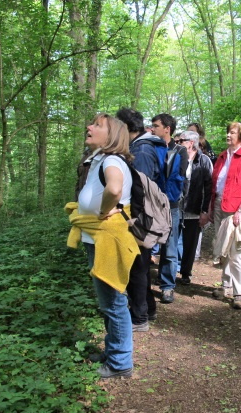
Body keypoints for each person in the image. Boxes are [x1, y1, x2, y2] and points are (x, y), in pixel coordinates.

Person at [67, 114, 137, 378]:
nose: (89, 126)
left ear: (112, 136)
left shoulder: (111, 160)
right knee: (109, 302)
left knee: (114, 302)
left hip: (106, 238)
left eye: (97, 125)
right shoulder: (98, 158)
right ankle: (114, 350)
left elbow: (115, 189)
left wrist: (106, 209)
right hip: (97, 238)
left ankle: (120, 363)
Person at [116, 107, 164, 331]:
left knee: (138, 267)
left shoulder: (142, 151)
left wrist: (132, 219)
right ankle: (147, 310)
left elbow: (141, 190)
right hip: (139, 217)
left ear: (127, 128)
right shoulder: (138, 147)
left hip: (140, 219)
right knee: (140, 266)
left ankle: (139, 317)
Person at [209, 122, 241, 310]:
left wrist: (240, 210)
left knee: (236, 251)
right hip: (219, 206)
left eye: (232, 133)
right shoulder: (222, 156)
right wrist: (210, 208)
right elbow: (215, 186)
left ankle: (240, 293)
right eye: (228, 132)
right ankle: (226, 286)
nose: (228, 135)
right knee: (222, 246)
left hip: (238, 209)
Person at [151, 113, 188, 304]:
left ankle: (167, 286)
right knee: (148, 242)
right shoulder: (149, 147)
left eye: (156, 126)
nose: (152, 128)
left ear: (167, 128)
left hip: (171, 205)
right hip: (151, 204)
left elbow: (178, 178)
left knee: (170, 246)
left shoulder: (180, 151)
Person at [177, 130, 213, 284]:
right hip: (175, 209)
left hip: (194, 209)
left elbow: (209, 187)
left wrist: (205, 211)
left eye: (181, 141)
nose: (178, 143)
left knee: (190, 244)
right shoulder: (177, 157)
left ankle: (185, 273)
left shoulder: (204, 161)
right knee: (170, 243)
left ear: (191, 143)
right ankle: (168, 273)